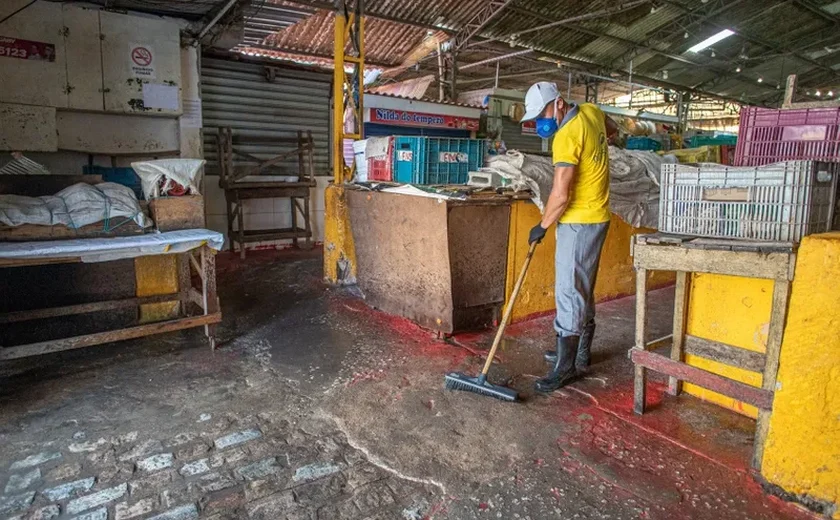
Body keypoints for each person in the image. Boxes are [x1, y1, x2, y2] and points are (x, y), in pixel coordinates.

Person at [520, 81, 617, 393]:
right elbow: (612, 129)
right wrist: (597, 159)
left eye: (542, 114)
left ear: (559, 103)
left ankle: (565, 368)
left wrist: (543, 226)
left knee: (569, 291)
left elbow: (561, 195)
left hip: (578, 221)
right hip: (598, 216)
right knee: (582, 287)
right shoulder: (592, 112)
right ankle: (580, 354)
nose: (539, 123)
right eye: (535, 118)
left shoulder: (566, 135)